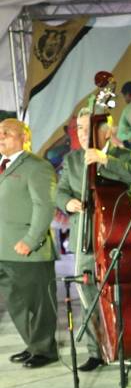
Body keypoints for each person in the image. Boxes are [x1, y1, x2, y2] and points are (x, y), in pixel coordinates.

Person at [55, 109, 131, 371]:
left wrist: (106, 160)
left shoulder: (124, 155)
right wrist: (67, 201)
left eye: (89, 128)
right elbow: (61, 190)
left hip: (115, 238)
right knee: (87, 296)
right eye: (80, 129)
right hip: (84, 238)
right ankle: (95, 352)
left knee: (119, 295)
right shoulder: (73, 159)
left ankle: (125, 348)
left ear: (106, 131)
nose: (83, 133)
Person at [0, 118, 59, 368]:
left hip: (27, 250)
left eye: (7, 133)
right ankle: (33, 345)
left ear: (24, 138)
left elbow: (44, 206)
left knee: (38, 304)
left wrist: (30, 240)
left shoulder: (37, 167)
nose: (1, 136)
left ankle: (45, 350)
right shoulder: (1, 166)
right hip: (3, 248)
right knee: (17, 304)